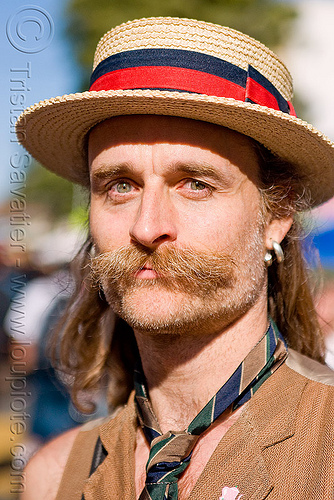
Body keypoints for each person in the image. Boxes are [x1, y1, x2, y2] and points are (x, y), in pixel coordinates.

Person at [17, 17, 334, 500]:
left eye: (195, 184)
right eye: (120, 185)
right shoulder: (55, 478)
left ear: (278, 215)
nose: (147, 228)